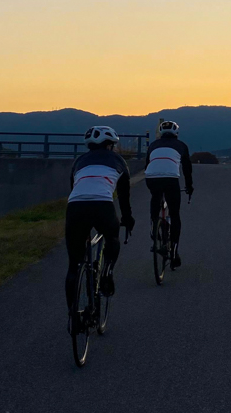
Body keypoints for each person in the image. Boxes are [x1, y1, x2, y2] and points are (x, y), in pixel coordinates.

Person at [66, 125, 134, 312]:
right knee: (112, 237)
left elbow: (74, 188)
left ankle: (73, 316)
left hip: (75, 206)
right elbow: (124, 196)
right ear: (110, 145)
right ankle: (107, 271)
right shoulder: (118, 160)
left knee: (74, 265)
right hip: (102, 205)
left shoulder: (79, 161)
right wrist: (127, 218)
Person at [145, 119, 193, 268]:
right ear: (176, 133)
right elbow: (187, 169)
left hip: (151, 177)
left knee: (156, 196)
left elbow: (147, 164)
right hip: (171, 179)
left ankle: (154, 224)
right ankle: (174, 250)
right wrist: (189, 186)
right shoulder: (181, 145)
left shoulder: (153, 145)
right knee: (174, 213)